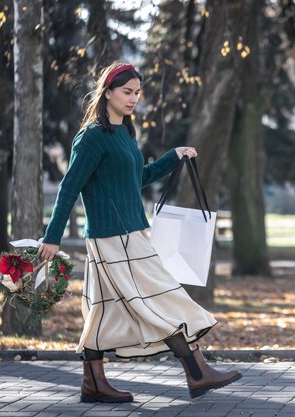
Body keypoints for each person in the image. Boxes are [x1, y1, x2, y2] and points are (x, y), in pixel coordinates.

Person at [37, 62, 241, 403]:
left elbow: (138, 179)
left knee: (101, 311)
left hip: (130, 234)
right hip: (111, 238)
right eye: (127, 92)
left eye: (137, 93)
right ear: (108, 92)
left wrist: (173, 157)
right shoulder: (91, 138)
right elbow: (69, 188)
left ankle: (93, 383)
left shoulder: (126, 134)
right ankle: (196, 370)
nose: (133, 99)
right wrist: (52, 237)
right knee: (163, 297)